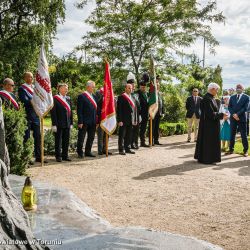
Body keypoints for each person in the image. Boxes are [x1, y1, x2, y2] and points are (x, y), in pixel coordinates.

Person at [194, 83, 228, 164]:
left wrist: (220, 114)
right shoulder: (207, 99)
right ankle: (208, 159)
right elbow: (210, 113)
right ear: (212, 89)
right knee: (209, 141)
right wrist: (221, 115)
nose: (217, 91)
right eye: (217, 90)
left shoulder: (210, 98)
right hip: (209, 125)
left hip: (209, 124)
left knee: (207, 141)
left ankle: (205, 158)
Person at [18, 72, 44, 163]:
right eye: (28, 77)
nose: (31, 78)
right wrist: (35, 101)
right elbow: (24, 101)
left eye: (32, 77)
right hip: (27, 115)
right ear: (24, 78)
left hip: (36, 115)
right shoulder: (22, 88)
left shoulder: (35, 88)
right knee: (27, 137)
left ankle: (39, 157)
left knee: (38, 137)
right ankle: (27, 158)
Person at [51, 83, 73, 162]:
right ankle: (58, 156)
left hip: (67, 123)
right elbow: (53, 112)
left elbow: (71, 112)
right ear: (59, 89)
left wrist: (71, 123)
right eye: (65, 88)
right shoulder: (55, 98)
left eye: (67, 88)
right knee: (58, 141)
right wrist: (54, 124)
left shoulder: (68, 98)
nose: (66, 90)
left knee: (66, 141)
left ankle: (65, 155)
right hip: (59, 124)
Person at [227, 84, 249, 157]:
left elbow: (245, 108)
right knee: (232, 134)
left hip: (242, 118)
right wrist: (233, 114)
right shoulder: (232, 97)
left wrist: (237, 114)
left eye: (240, 88)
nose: (238, 89)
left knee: (243, 135)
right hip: (233, 118)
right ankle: (231, 149)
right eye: (237, 88)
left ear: (243, 89)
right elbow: (229, 107)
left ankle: (245, 150)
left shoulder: (247, 97)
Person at [77, 80, 97, 158]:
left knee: (91, 137)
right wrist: (80, 121)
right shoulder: (82, 96)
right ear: (88, 87)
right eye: (92, 87)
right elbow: (79, 110)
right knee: (81, 137)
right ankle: (80, 152)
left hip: (93, 121)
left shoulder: (94, 96)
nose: (93, 88)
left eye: (94, 87)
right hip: (84, 121)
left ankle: (88, 151)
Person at [117, 83, 135, 155]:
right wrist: (119, 120)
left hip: (130, 119)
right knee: (122, 135)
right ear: (125, 89)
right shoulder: (121, 97)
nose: (130, 89)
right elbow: (119, 110)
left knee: (129, 134)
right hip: (123, 120)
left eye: (131, 88)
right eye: (129, 88)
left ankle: (127, 148)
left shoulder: (132, 97)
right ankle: (121, 149)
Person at [96, 87, 112, 155]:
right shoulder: (99, 101)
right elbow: (98, 111)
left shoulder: (110, 100)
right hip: (101, 120)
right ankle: (100, 150)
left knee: (106, 136)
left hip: (108, 120)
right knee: (100, 136)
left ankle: (105, 149)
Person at [127, 72, 141, 150]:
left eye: (134, 85)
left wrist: (140, 114)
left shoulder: (136, 94)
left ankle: (135, 143)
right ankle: (130, 144)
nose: (134, 86)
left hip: (136, 115)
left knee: (136, 131)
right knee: (130, 132)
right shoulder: (126, 95)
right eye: (132, 85)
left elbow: (138, 105)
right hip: (130, 117)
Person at [151, 75, 164, 145]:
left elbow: (162, 103)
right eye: (157, 86)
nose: (158, 87)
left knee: (156, 128)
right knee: (152, 127)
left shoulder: (159, 94)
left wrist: (163, 112)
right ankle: (151, 140)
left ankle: (156, 140)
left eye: (158, 86)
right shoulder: (152, 93)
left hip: (159, 113)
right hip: (153, 113)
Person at [137, 80, 149, 147]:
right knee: (136, 129)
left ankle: (142, 142)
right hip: (139, 114)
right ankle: (134, 143)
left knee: (143, 129)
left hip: (146, 114)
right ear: (140, 87)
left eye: (144, 87)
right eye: (142, 87)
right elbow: (137, 105)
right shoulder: (137, 93)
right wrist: (139, 114)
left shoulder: (146, 94)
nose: (143, 88)